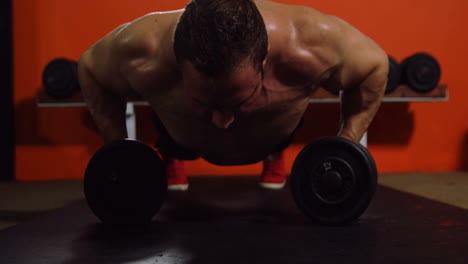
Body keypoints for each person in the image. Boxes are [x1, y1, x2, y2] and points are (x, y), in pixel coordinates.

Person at [77, 0, 388, 191]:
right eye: (205, 102)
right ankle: (173, 156)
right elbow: (90, 68)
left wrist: (347, 144)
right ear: (176, 60)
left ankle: (272, 153)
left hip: (274, 133)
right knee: (171, 123)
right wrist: (118, 152)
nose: (222, 122)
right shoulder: (142, 50)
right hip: (179, 135)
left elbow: (375, 66)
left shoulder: (309, 45)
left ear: (264, 60)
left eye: (239, 100)